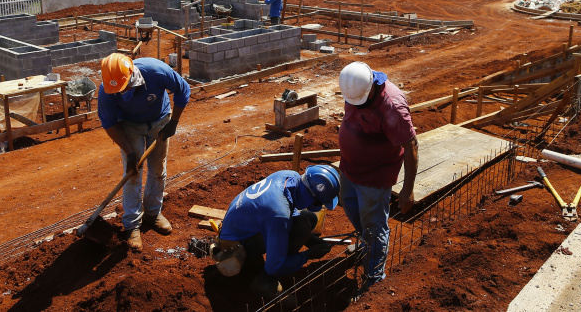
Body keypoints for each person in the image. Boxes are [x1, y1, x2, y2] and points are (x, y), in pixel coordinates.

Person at [337, 61, 419, 289]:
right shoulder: (354, 87)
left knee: (374, 226)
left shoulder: (391, 106)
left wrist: (407, 189)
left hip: (374, 176)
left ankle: (374, 278)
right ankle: (366, 244)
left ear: (372, 85)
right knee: (350, 205)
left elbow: (411, 145)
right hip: (349, 168)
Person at [97, 53, 191, 251]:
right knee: (133, 174)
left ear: (132, 75)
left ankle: (153, 212)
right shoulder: (107, 90)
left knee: (158, 169)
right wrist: (130, 152)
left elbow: (183, 90)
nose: (123, 92)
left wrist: (173, 122)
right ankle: (132, 225)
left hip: (159, 120)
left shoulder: (156, 71)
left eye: (126, 87)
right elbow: (109, 123)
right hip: (129, 126)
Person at [212, 165, 340, 299]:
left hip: (237, 229)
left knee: (309, 219)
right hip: (234, 246)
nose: (317, 206)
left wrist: (310, 239)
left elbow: (290, 212)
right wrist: (308, 255)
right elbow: (275, 266)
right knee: (301, 227)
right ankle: (264, 281)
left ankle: (270, 263)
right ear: (311, 196)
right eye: (318, 203)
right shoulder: (279, 213)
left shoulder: (289, 175)